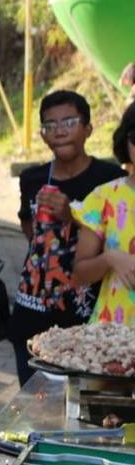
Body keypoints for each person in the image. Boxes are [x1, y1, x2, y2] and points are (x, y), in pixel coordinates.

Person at [7, 90, 126, 386]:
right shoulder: (32, 178)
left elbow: (116, 237)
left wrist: (70, 216)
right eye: (50, 125)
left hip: (86, 319)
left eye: (69, 122)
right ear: (42, 134)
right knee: (34, 406)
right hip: (32, 311)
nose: (59, 130)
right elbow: (30, 233)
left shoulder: (109, 178)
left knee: (78, 409)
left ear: (88, 129)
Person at [72, 102, 135, 326]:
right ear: (125, 142)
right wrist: (111, 258)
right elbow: (80, 273)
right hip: (112, 338)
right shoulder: (104, 197)